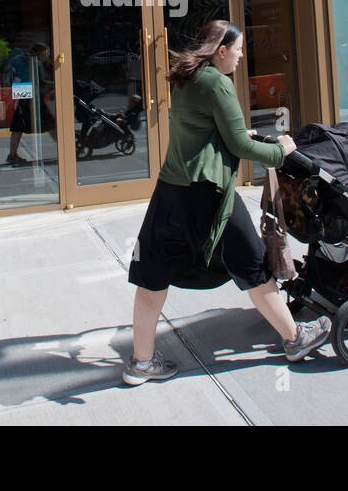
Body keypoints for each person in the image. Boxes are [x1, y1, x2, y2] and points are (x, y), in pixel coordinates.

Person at [123, 20, 331, 386]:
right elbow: (241, 147)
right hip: (208, 192)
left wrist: (234, 135)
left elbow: (203, 132)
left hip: (171, 190)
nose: (239, 57)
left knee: (152, 273)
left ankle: (140, 362)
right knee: (252, 261)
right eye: (236, 50)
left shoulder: (188, 79)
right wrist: (280, 150)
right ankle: (294, 339)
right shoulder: (218, 83)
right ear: (221, 50)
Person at [5, 43, 56, 166]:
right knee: (52, 124)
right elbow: (19, 79)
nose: (48, 54)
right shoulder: (31, 62)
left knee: (18, 127)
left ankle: (12, 155)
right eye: (47, 52)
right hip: (30, 97)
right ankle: (68, 149)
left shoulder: (26, 60)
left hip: (26, 97)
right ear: (41, 52)